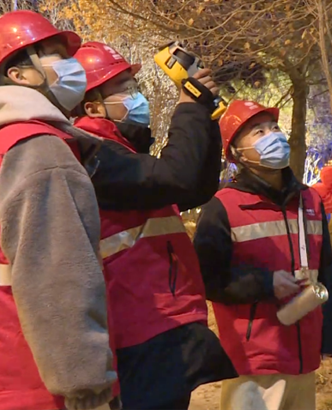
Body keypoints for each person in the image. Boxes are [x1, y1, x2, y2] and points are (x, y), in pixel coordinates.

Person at [71, 41, 237, 410]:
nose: (138, 97)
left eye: (136, 87)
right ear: (92, 107)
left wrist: (205, 113)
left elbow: (195, 186)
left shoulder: (122, 150)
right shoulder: (93, 152)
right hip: (138, 327)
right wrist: (189, 106)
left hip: (161, 322)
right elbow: (176, 176)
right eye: (126, 89)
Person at [0, 11, 117, 410]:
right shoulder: (40, 147)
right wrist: (88, 388)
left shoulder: (8, 141)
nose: (72, 66)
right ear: (19, 75)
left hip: (8, 378)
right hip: (46, 392)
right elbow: (59, 280)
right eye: (55, 54)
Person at [192, 100, 332, 410]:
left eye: (274, 128)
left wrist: (330, 338)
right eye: (258, 132)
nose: (272, 136)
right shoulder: (223, 206)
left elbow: (325, 271)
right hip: (252, 362)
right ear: (237, 152)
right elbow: (204, 279)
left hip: (304, 357)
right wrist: (264, 284)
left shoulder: (310, 201)